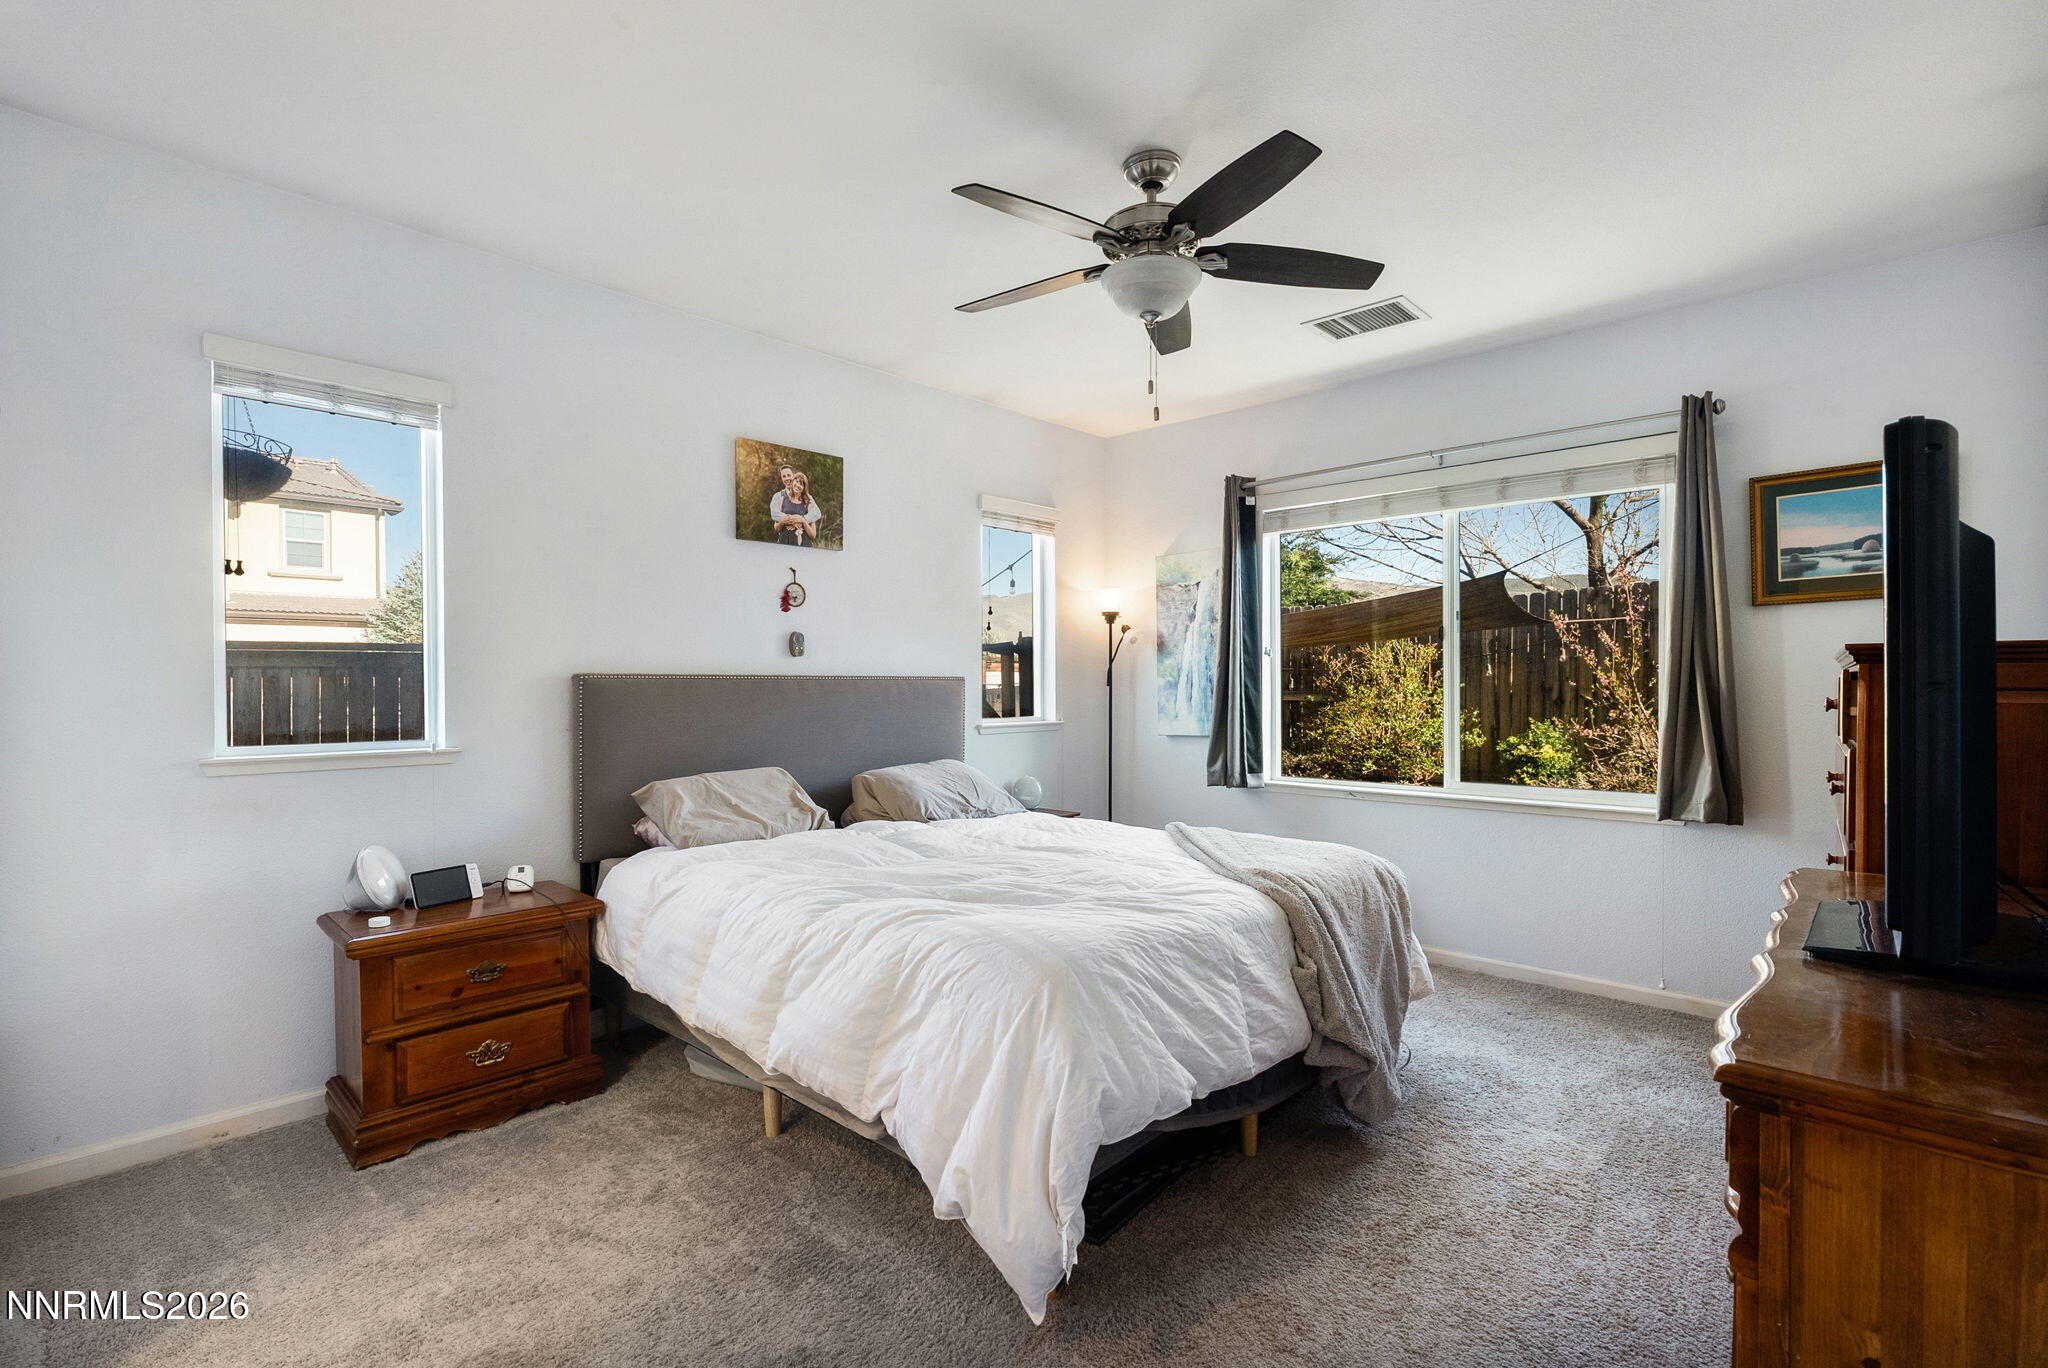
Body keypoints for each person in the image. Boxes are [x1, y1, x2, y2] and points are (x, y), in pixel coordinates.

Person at [770, 469, 822, 546]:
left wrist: (802, 521)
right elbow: (776, 528)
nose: (798, 485)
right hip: (785, 542)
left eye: (801, 484)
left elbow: (813, 535)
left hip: (803, 544)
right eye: (784, 476)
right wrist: (786, 520)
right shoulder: (780, 498)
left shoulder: (809, 502)